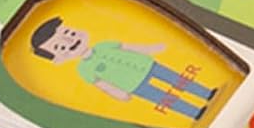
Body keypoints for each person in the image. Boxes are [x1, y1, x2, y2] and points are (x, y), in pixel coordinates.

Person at [29, 17, 216, 120]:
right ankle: (192, 111)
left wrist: (151, 48)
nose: (70, 41)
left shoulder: (103, 45)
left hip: (146, 65)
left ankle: (206, 93)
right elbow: (102, 85)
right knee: (163, 98)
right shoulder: (84, 70)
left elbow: (129, 47)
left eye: (69, 32)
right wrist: (118, 94)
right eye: (60, 47)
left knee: (178, 79)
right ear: (58, 59)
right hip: (133, 85)